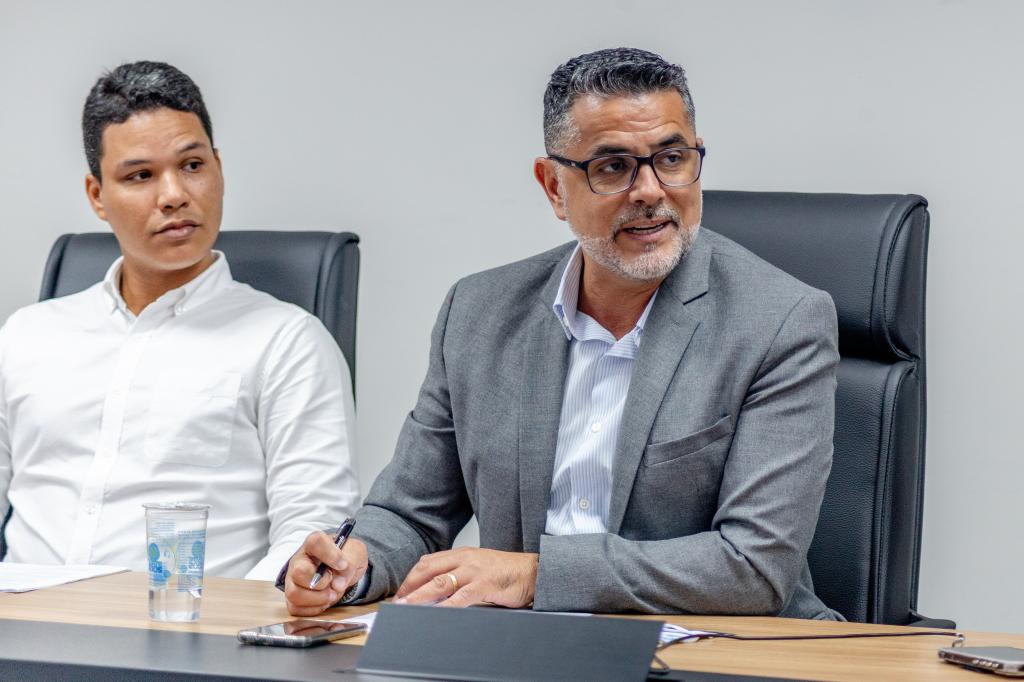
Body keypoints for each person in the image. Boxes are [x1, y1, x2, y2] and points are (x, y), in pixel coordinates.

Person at [282, 47, 841, 618]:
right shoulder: (477, 313)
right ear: (553, 186)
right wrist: (353, 565)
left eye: (672, 159)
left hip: (725, 649)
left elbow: (754, 565)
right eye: (613, 167)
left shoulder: (780, 321)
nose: (650, 190)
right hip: (524, 648)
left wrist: (535, 576)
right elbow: (409, 513)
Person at [0, 61, 359, 579]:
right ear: (97, 196)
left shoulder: (287, 342)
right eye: (140, 176)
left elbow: (311, 534)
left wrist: (247, 616)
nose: (174, 195)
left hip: (191, 624)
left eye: (192, 165)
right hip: (20, 618)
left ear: (218, 169)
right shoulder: (26, 337)